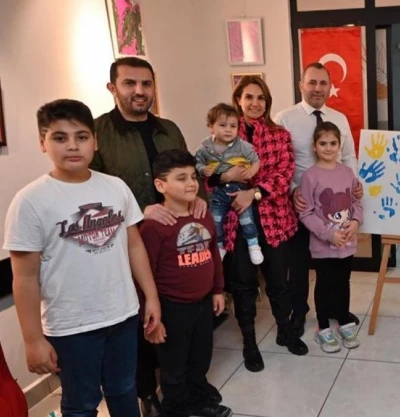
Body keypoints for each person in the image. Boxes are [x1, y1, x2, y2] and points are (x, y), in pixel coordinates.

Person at [3, 99, 161, 416]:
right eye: (60, 137)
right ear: (43, 142)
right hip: (71, 327)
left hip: (122, 315)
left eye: (82, 136)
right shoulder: (31, 201)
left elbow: (134, 246)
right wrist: (33, 340)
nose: (73, 146)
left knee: (124, 390)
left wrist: (151, 297)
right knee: (82, 403)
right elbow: (25, 277)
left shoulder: (115, 187)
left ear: (95, 141)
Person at [92, 57, 211, 417]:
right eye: (129, 83)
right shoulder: (98, 133)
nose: (139, 91)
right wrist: (140, 210)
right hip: (126, 242)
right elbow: (92, 192)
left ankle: (182, 384)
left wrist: (199, 200)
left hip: (177, 241)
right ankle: (147, 392)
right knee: (139, 315)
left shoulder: (168, 129)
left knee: (176, 315)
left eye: (146, 83)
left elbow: (188, 171)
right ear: (113, 88)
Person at [212, 75, 308, 373]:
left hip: (274, 218)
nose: (255, 103)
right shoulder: (224, 133)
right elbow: (208, 173)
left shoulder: (279, 135)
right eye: (249, 97)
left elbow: (284, 173)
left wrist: (253, 192)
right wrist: (226, 178)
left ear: (267, 102)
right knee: (243, 285)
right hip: (236, 221)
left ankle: (284, 330)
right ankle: (250, 343)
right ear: (238, 100)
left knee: (279, 281)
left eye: (260, 98)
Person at [139, 149, 232, 417]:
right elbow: (143, 273)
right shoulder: (153, 227)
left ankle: (198, 400)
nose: (191, 183)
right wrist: (150, 319)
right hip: (172, 308)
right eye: (181, 178)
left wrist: (217, 290)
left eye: (193, 176)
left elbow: (213, 254)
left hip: (202, 303)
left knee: (200, 357)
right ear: (161, 185)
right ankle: (176, 409)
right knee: (174, 366)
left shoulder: (203, 213)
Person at [275, 62, 362, 337]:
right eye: (312, 82)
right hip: (302, 204)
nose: (317, 88)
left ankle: (337, 310)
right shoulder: (284, 119)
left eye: (323, 83)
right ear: (301, 85)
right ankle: (300, 312)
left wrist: (354, 184)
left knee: (336, 264)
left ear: (329, 87)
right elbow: (277, 163)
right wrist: (292, 190)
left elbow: (349, 156)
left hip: (335, 205)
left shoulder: (340, 118)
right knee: (300, 264)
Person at [299, 122, 364, 353]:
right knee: (325, 284)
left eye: (333, 143)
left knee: (343, 282)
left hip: (347, 244)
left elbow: (356, 202)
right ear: (314, 146)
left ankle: (344, 321)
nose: (328, 148)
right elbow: (305, 213)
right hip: (323, 245)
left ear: (340, 145)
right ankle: (323, 327)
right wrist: (329, 234)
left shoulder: (347, 172)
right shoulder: (310, 176)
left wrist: (355, 222)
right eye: (323, 143)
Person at [195, 103, 263, 264]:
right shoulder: (205, 146)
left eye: (233, 126)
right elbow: (197, 162)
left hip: (241, 189)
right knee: (216, 220)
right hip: (218, 192)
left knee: (247, 220)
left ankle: (254, 245)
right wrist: (203, 169)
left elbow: (256, 160)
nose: (228, 130)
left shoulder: (242, 145)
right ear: (211, 127)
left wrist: (251, 172)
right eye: (222, 125)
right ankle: (219, 247)